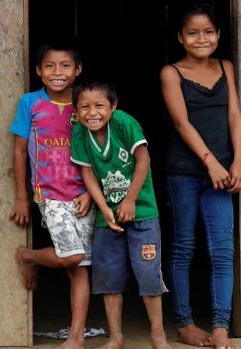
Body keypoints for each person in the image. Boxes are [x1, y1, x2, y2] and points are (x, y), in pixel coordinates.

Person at [160, 3, 241, 349]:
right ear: (181, 37)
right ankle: (184, 323)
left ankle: (221, 325)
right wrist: (209, 160)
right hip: (184, 172)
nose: (201, 38)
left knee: (222, 251)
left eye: (208, 31)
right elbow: (181, 123)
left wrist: (238, 160)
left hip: (222, 174)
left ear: (218, 35)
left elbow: (235, 115)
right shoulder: (171, 73)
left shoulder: (226, 66)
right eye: (193, 32)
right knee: (184, 248)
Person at [70, 78, 171, 349]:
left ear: (113, 106)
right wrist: (104, 208)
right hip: (108, 219)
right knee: (108, 277)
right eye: (84, 107)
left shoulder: (124, 122)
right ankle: (116, 337)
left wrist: (130, 199)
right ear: (76, 111)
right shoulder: (79, 133)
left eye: (100, 106)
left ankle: (158, 335)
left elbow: (144, 160)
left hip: (142, 212)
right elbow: (87, 172)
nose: (92, 113)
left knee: (148, 273)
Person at [10, 42, 94, 349]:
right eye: (49, 66)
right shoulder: (30, 103)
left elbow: (97, 153)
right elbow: (20, 151)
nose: (57, 73)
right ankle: (27, 255)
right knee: (73, 256)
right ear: (38, 71)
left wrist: (91, 193)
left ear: (78, 71)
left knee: (79, 267)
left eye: (65, 66)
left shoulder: (85, 104)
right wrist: (22, 197)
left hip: (82, 195)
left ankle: (76, 338)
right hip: (50, 194)